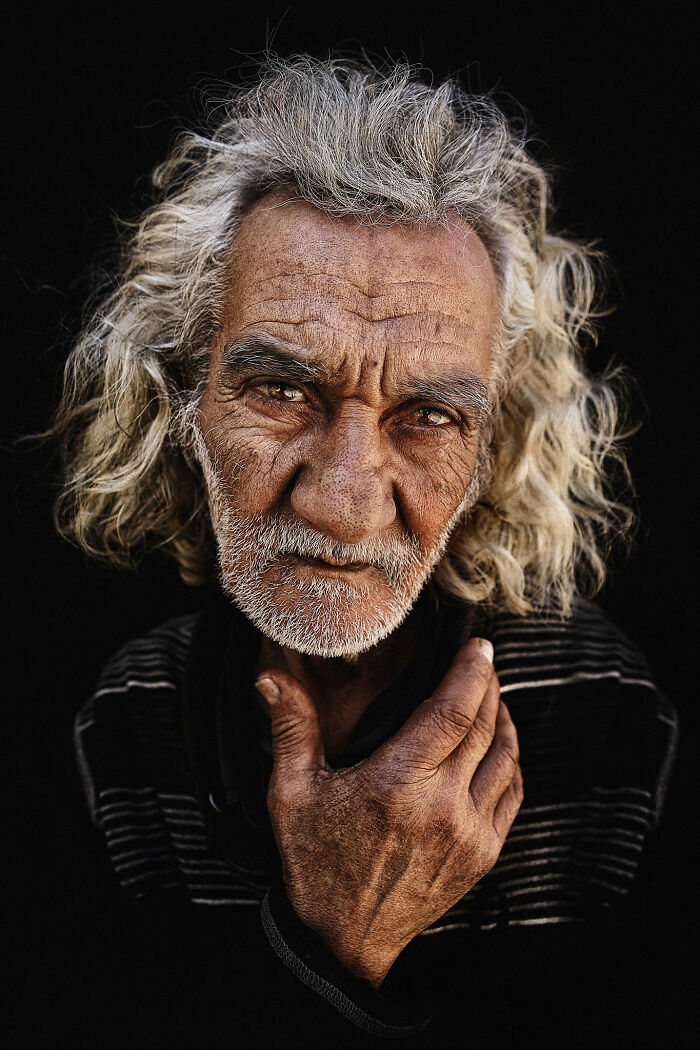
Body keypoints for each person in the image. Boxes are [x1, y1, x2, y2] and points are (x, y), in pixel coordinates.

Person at [50, 55, 677, 1046]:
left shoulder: (611, 711)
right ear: (183, 401)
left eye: (427, 413)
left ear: (492, 447)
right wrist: (332, 940)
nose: (343, 502)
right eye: (279, 390)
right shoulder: (118, 722)